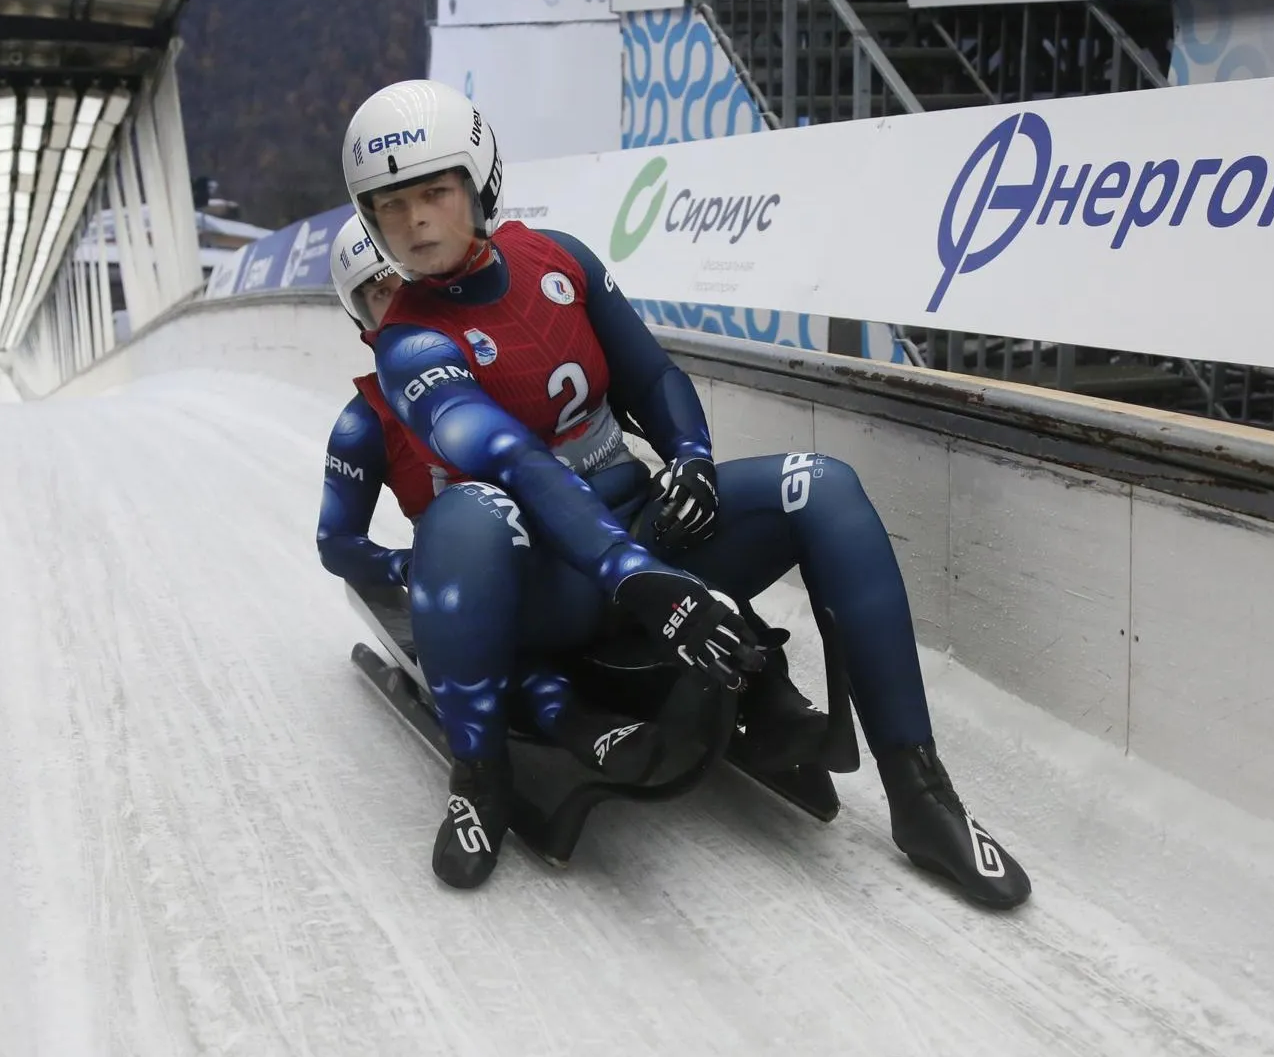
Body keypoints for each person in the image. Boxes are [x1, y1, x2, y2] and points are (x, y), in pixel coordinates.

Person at [340, 79, 1031, 908]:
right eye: (388, 206)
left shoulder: (559, 261)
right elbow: (517, 463)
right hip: (539, 586)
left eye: (432, 194)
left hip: (640, 534)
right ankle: (479, 776)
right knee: (466, 513)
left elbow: (654, 374)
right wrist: (643, 580)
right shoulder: (406, 341)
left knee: (825, 487)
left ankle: (921, 796)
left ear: (477, 183)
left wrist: (693, 459)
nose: (412, 223)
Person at [314, 215, 667, 788]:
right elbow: (335, 543)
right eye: (379, 294)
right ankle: (573, 724)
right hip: (484, 574)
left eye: (400, 282)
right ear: (359, 314)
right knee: (487, 622)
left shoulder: (499, 354)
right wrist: (402, 565)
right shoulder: (363, 424)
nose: (398, 301)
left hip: (572, 544)